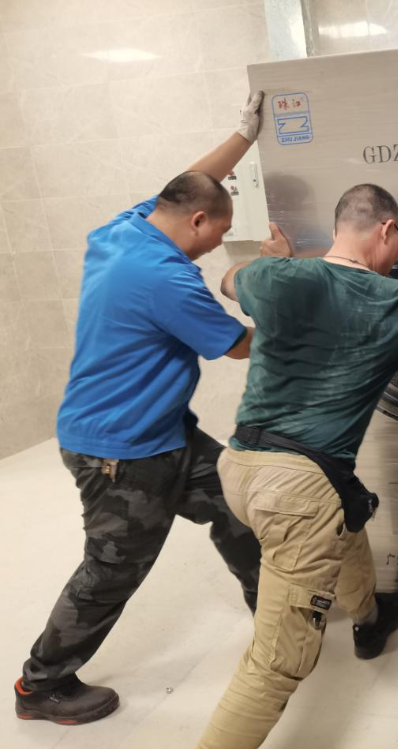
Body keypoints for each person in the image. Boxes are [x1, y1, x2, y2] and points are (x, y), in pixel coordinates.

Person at [13, 93, 268, 727]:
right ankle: (41, 684)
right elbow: (239, 346)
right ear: (198, 221)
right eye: (219, 234)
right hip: (120, 451)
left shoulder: (126, 230)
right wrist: (297, 289)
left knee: (239, 504)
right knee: (112, 570)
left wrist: (243, 135)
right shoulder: (168, 279)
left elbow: (190, 181)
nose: (217, 246)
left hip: (162, 432)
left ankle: (272, 609)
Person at [197, 184, 398, 749]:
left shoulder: (277, 276)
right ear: (386, 230)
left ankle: (371, 618)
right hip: (297, 492)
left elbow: (229, 280)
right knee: (276, 663)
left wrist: (276, 264)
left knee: (343, 512)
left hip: (240, 465)